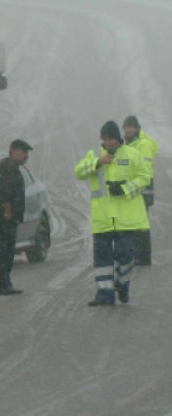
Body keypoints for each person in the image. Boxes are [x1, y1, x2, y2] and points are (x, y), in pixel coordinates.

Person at [75, 121, 151, 307]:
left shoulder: (133, 155)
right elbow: (79, 172)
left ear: (118, 139)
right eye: (105, 139)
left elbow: (144, 178)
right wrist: (97, 163)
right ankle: (105, 293)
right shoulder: (95, 154)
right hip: (103, 219)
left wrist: (124, 189)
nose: (108, 143)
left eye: (111, 139)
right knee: (102, 258)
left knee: (125, 255)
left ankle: (122, 284)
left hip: (127, 219)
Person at [0, 139, 32, 296]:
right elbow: (4, 192)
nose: (26, 156)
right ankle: (1, 283)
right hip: (3, 217)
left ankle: (4, 282)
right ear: (14, 152)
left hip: (7, 216)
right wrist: (8, 211)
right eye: (24, 152)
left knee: (6, 249)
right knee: (4, 250)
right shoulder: (7, 168)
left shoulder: (11, 168)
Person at [123, 116, 159, 265]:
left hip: (142, 189)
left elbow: (144, 169)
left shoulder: (142, 144)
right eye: (126, 127)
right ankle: (138, 255)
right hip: (133, 188)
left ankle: (143, 257)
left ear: (137, 128)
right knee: (134, 224)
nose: (128, 129)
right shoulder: (130, 144)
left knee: (141, 225)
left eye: (131, 127)